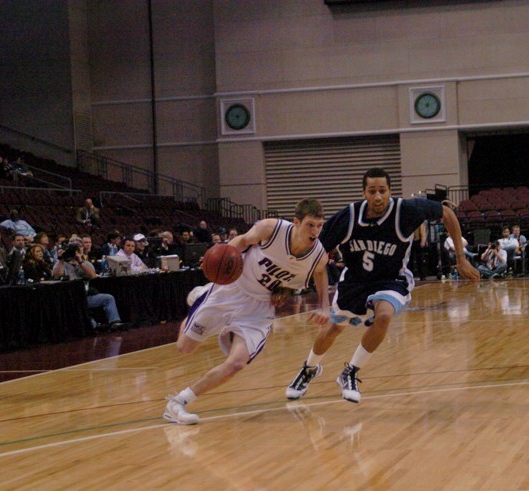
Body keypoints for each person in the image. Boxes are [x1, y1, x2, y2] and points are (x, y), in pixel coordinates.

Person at [285, 168, 479, 404]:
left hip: (391, 279)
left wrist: (460, 257)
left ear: (390, 191)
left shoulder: (405, 211)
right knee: (334, 328)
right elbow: (315, 256)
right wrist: (289, 285)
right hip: (355, 280)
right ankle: (309, 369)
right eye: (372, 191)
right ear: (363, 193)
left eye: (383, 191)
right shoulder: (348, 216)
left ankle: (351, 371)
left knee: (384, 314)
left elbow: (447, 213)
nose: (378, 196)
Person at [163, 199, 331, 425]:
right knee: (184, 348)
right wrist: (222, 264)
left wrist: (324, 305)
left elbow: (320, 273)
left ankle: (178, 402)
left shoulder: (318, 254)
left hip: (259, 308)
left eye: (320, 225)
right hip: (232, 289)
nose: (316, 231)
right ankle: (199, 296)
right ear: (296, 222)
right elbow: (241, 241)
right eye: (311, 225)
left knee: (237, 363)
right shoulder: (272, 229)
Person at [51, 242, 128, 332]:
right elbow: (57, 275)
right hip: (69, 298)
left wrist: (80, 261)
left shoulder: (85, 263)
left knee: (108, 298)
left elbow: (92, 276)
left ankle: (115, 322)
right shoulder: (61, 264)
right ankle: (94, 325)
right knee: (78, 304)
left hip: (85, 295)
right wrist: (61, 259)